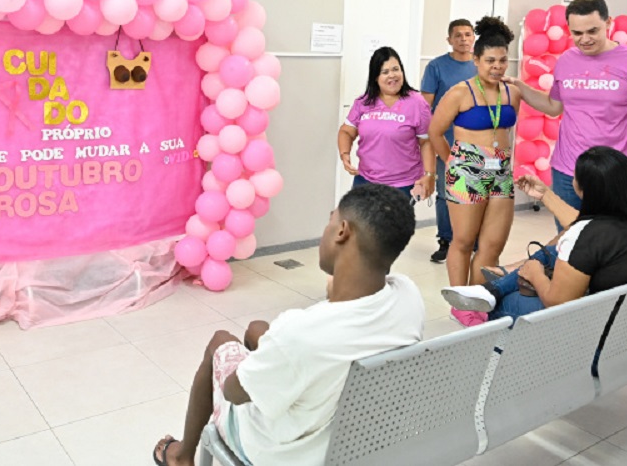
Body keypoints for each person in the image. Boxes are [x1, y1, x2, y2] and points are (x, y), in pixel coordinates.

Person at [152, 183, 426, 466]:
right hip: (358, 443)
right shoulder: (409, 296)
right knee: (257, 329)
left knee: (220, 340)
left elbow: (234, 392)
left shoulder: (301, 331)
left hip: (285, 453)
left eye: (330, 221)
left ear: (342, 231)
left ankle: (182, 456)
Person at [441, 146, 627, 322]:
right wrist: (545, 195)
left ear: (584, 189)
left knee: (510, 300)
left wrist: (535, 274)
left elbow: (557, 301)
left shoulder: (587, 235)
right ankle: (492, 288)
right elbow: (583, 226)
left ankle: (496, 294)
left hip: (598, 326)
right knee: (552, 253)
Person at [503, 0, 627, 226]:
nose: (585, 39)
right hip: (566, 172)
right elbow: (553, 106)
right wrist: (520, 86)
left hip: (611, 173)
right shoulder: (567, 60)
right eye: (577, 33)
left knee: (608, 238)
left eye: (592, 31)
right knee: (568, 238)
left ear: (608, 23)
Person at [428, 17, 520, 326]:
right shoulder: (460, 92)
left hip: (500, 170)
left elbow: (507, 130)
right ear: (476, 60)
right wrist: (453, 162)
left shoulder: (512, 92)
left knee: (492, 244)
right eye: (490, 60)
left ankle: (478, 300)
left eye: (502, 60)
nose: (497, 66)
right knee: (464, 241)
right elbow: (435, 131)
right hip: (467, 169)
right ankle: (460, 304)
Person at [338, 47, 436, 213]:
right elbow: (346, 131)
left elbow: (426, 142)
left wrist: (429, 175)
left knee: (390, 228)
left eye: (395, 69)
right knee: (360, 226)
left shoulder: (417, 103)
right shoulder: (363, 102)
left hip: (402, 184)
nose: (392, 75)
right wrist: (344, 154)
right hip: (365, 180)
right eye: (385, 72)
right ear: (376, 77)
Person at [421, 19, 477, 263]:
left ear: (474, 37)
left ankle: (473, 240)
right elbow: (425, 108)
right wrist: (429, 142)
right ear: (449, 40)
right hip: (446, 142)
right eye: (458, 35)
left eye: (468, 34)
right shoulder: (436, 67)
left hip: (477, 142)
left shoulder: (481, 65)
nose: (463, 39)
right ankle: (446, 240)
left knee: (475, 193)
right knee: (446, 194)